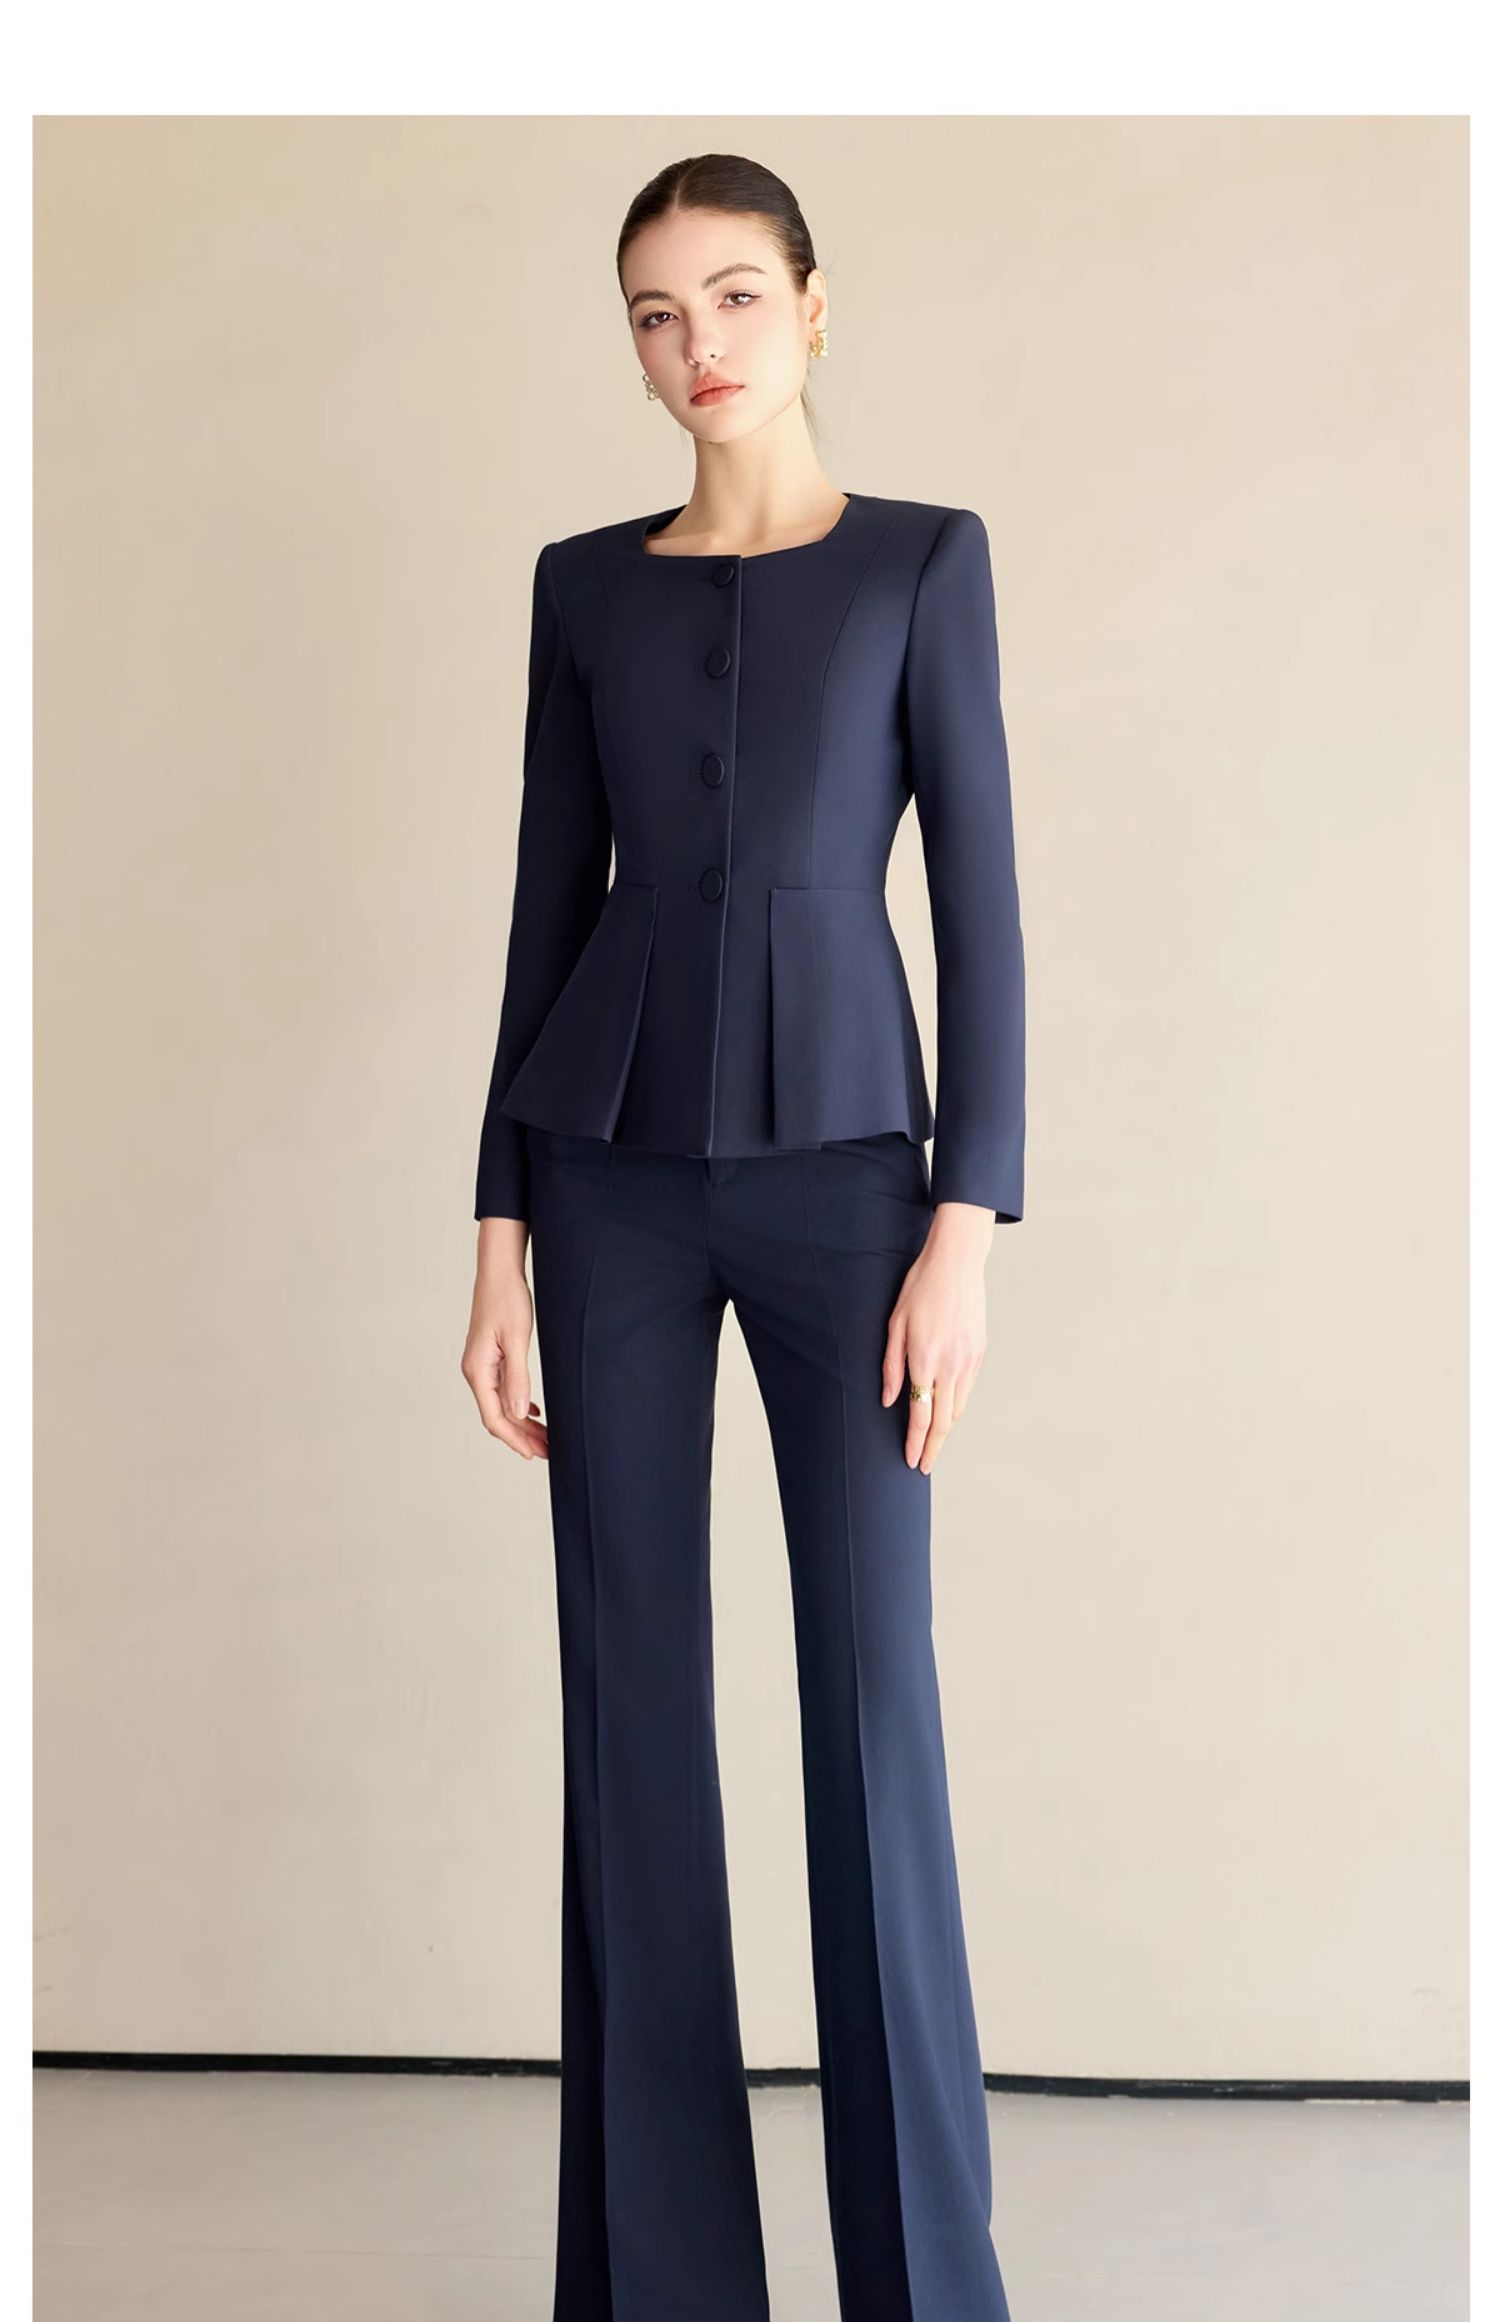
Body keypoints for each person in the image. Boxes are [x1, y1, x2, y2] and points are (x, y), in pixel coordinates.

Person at [461, 150, 1023, 2322]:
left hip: (853, 1184)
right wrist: (497, 1224)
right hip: (602, 1175)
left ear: (811, 305)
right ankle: (661, 2290)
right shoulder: (580, 588)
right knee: (628, 1703)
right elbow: (546, 907)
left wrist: (966, 1221)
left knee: (873, 1703)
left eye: (731, 296)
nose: (694, 343)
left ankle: (925, 2291)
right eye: (653, 312)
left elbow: (980, 905)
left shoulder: (921, 562)